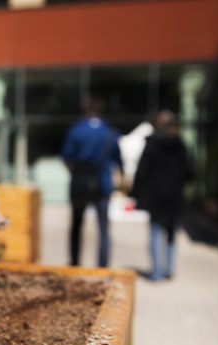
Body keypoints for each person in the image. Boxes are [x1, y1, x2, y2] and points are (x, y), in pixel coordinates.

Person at [130, 110, 193, 281]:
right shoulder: (180, 145)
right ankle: (168, 269)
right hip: (174, 195)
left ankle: (156, 271)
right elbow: (189, 171)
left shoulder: (152, 145)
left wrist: (136, 194)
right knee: (171, 233)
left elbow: (141, 172)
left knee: (156, 231)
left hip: (155, 196)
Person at [62, 96, 123, 267]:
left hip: (80, 183)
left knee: (76, 225)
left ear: (84, 110)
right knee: (103, 228)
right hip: (103, 183)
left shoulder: (76, 130)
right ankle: (103, 265)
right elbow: (118, 160)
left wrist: (76, 173)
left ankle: (75, 262)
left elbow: (66, 157)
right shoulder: (110, 132)